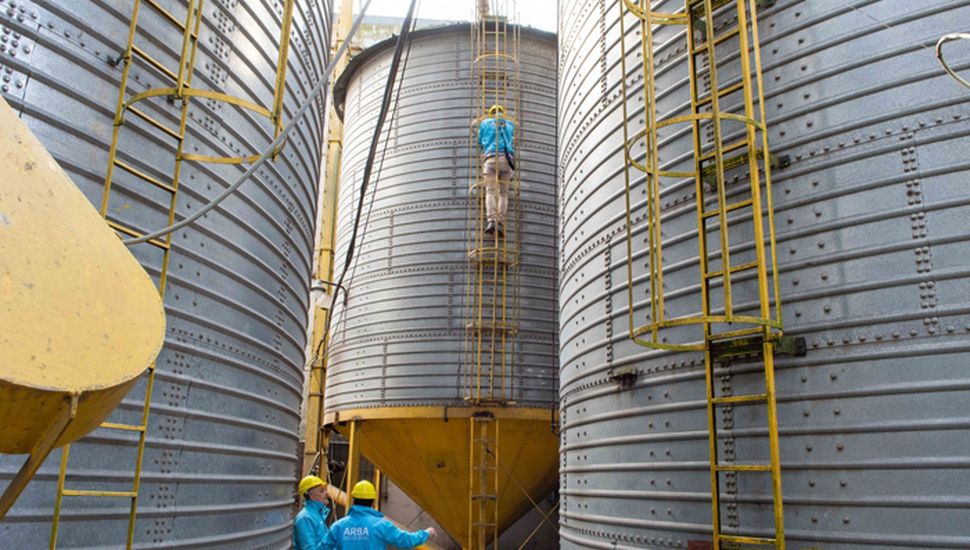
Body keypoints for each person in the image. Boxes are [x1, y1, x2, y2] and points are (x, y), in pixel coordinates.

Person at [327, 480, 436, 549]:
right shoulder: (381, 525)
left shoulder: (338, 526)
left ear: (353, 500)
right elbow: (406, 540)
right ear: (373, 502)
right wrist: (426, 534)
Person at [477, 104, 516, 236]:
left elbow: (480, 141)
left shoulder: (485, 123)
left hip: (491, 159)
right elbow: (512, 139)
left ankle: (491, 221)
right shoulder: (510, 124)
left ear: (491, 113)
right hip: (507, 160)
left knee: (491, 191)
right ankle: (500, 222)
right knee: (503, 194)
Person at [293, 475, 333, 550]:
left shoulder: (318, 515)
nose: (326, 493)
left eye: (325, 490)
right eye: (322, 491)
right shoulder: (305, 518)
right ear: (312, 497)